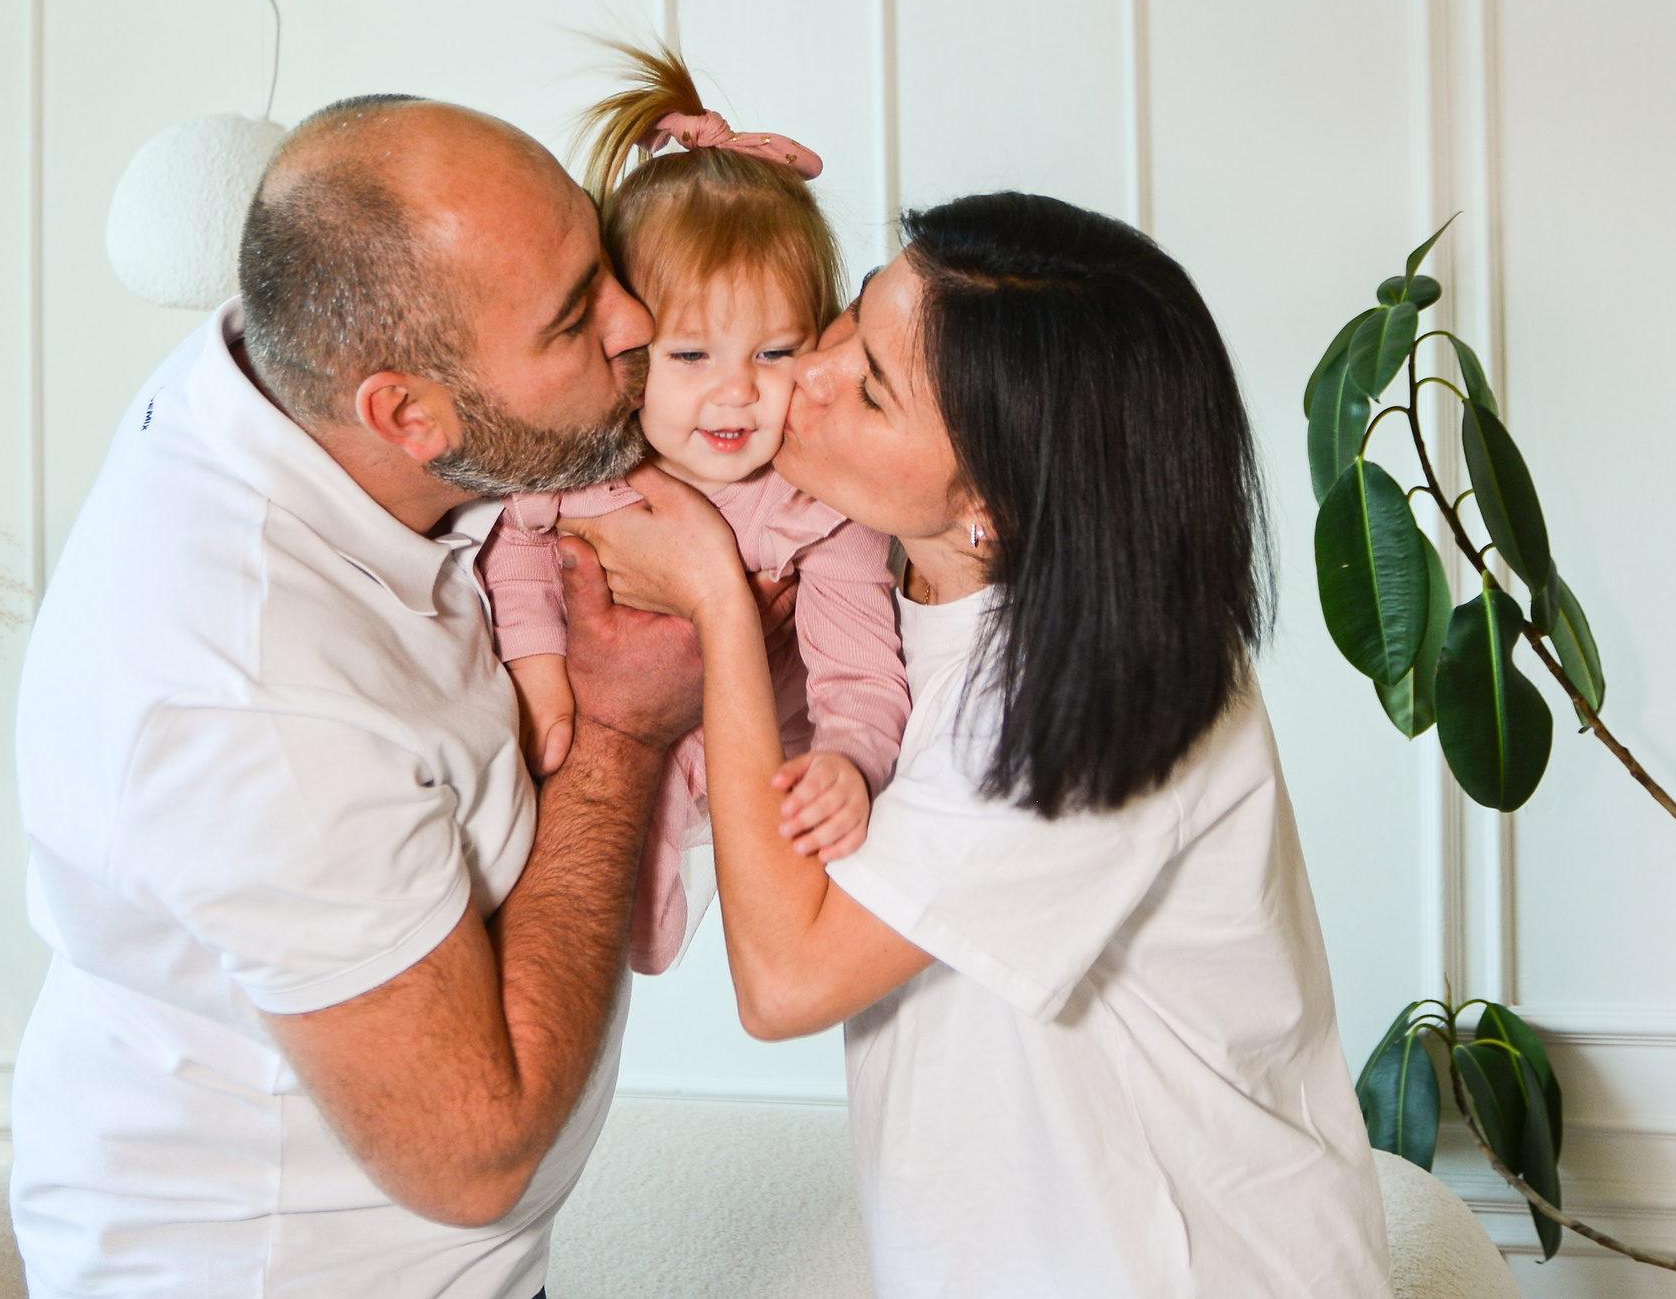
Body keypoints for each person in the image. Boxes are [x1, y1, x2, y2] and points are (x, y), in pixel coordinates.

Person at [564, 192, 1395, 1296]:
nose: (795, 376)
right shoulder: (872, 574)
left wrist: (714, 604)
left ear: (990, 509)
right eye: (847, 320)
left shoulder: (1098, 696)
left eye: (866, 388)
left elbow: (786, 979)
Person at [7, 94, 716, 1298]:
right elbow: (475, 1157)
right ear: (406, 416)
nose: (635, 318)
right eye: (571, 318)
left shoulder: (301, 353)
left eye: (599, 257)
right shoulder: (248, 702)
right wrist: (621, 735)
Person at [480, 44, 908, 973]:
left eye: (773, 352)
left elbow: (864, 677)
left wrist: (852, 762)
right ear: (627, 341)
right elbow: (512, 545)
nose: (736, 395)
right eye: (691, 356)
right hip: (582, 741)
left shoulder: (818, 508)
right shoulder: (586, 458)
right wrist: (539, 667)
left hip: (741, 769)